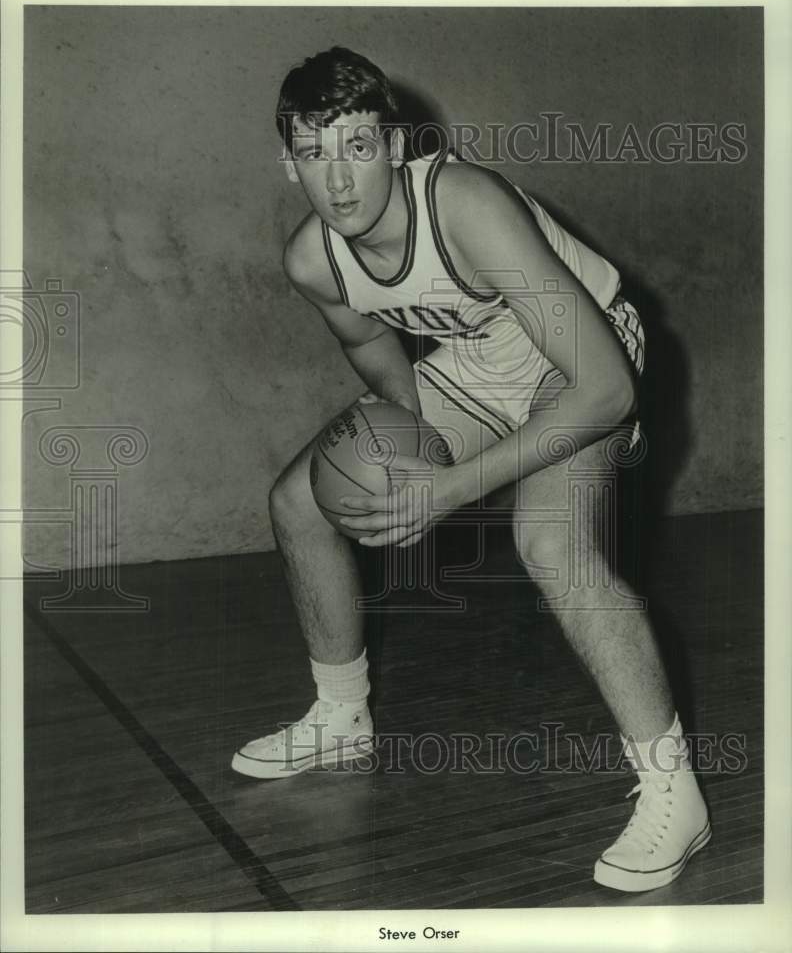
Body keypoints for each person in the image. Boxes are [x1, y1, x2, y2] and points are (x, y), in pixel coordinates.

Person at [231, 46, 711, 893]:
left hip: (586, 359)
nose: (339, 181)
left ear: (400, 145)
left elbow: (605, 389)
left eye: (358, 146)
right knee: (298, 500)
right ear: (289, 163)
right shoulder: (314, 261)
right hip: (475, 368)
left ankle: (675, 790)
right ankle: (342, 715)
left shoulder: (465, 206)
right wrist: (411, 447)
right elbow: (377, 348)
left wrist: (453, 485)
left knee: (551, 545)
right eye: (315, 153)